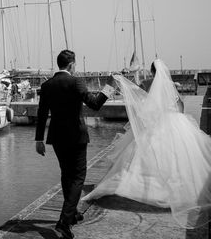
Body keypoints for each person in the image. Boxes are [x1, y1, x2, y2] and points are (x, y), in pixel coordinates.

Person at [83, 59, 211, 229]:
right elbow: (180, 106)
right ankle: (178, 191)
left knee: (143, 159)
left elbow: (143, 108)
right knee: (178, 159)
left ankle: (144, 189)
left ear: (152, 72)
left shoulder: (146, 83)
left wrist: (116, 81)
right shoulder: (170, 86)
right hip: (175, 123)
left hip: (157, 126)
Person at [35, 49, 112, 239]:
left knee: (66, 175)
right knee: (78, 177)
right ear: (71, 65)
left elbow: (42, 114)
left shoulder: (47, 85)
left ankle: (74, 212)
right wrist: (109, 89)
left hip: (57, 138)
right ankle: (64, 221)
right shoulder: (76, 82)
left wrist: (39, 139)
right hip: (77, 136)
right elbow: (94, 104)